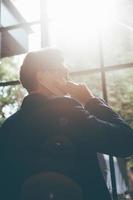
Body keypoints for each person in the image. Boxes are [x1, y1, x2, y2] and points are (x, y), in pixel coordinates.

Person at [0, 48, 133, 200]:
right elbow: (126, 141)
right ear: (42, 76)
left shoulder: (8, 126)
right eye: (60, 69)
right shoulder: (65, 110)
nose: (66, 73)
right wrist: (91, 101)